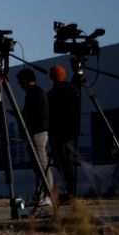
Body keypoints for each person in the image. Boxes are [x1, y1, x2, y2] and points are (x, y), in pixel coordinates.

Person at [16, 67, 51, 207]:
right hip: (36, 132)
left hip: (36, 133)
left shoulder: (34, 93)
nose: (20, 86)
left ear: (25, 81)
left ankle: (47, 195)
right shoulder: (36, 92)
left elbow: (37, 115)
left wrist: (28, 127)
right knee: (39, 166)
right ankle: (40, 194)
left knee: (42, 166)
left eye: (20, 82)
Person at [46, 64, 81, 200]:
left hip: (58, 131)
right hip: (71, 131)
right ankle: (71, 189)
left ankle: (70, 189)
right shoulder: (72, 90)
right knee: (68, 161)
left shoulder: (52, 94)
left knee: (62, 161)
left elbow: (52, 114)